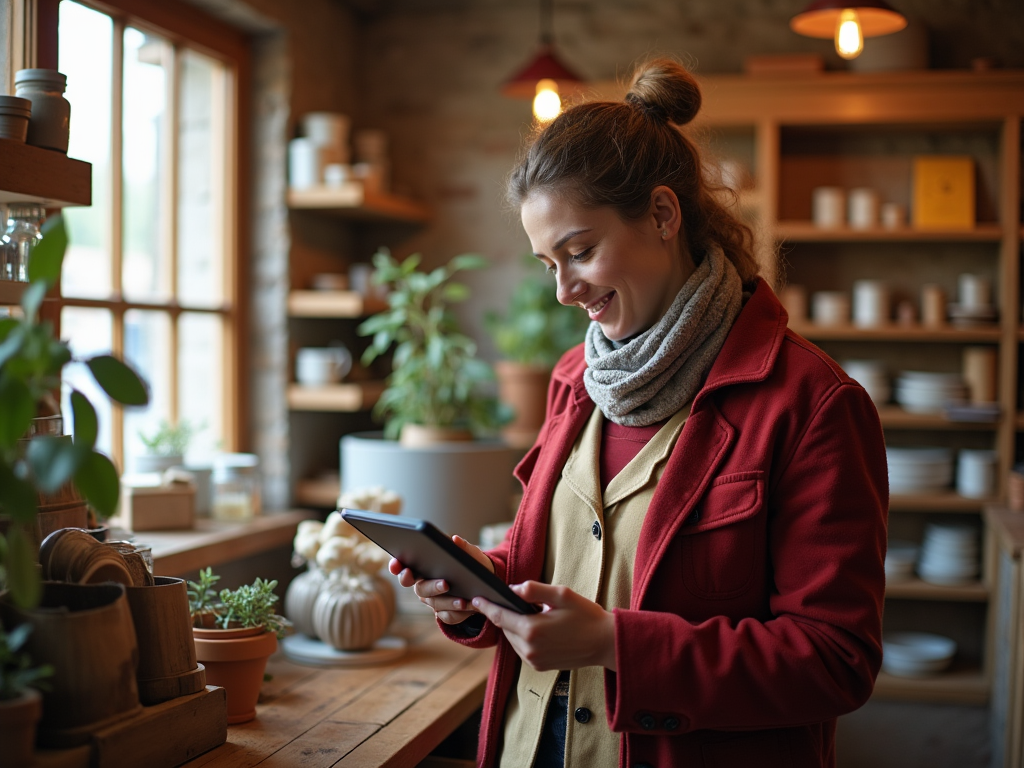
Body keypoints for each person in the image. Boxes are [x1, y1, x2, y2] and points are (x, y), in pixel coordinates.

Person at [389, 57, 888, 768]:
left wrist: (615, 644)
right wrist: (484, 586)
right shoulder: (575, 378)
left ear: (662, 214)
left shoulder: (813, 404)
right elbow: (579, 569)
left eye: (579, 251)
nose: (563, 290)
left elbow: (835, 659)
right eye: (546, 263)